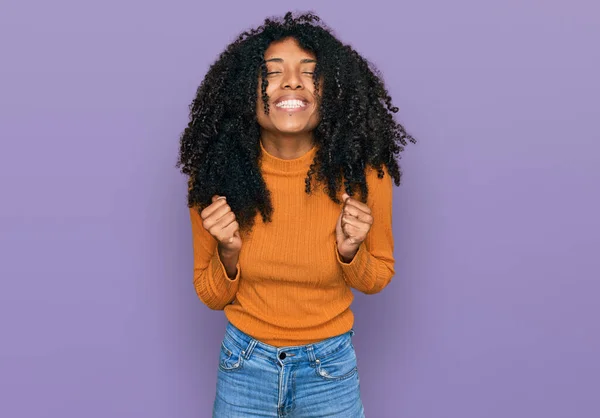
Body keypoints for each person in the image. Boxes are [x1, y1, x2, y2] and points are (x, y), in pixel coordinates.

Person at [177, 11, 416, 417]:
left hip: (330, 368)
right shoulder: (216, 176)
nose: (292, 81)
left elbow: (378, 278)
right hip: (243, 365)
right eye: (273, 72)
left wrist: (349, 252)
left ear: (332, 91)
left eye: (310, 72)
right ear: (243, 93)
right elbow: (211, 295)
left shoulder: (364, 174)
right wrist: (228, 253)